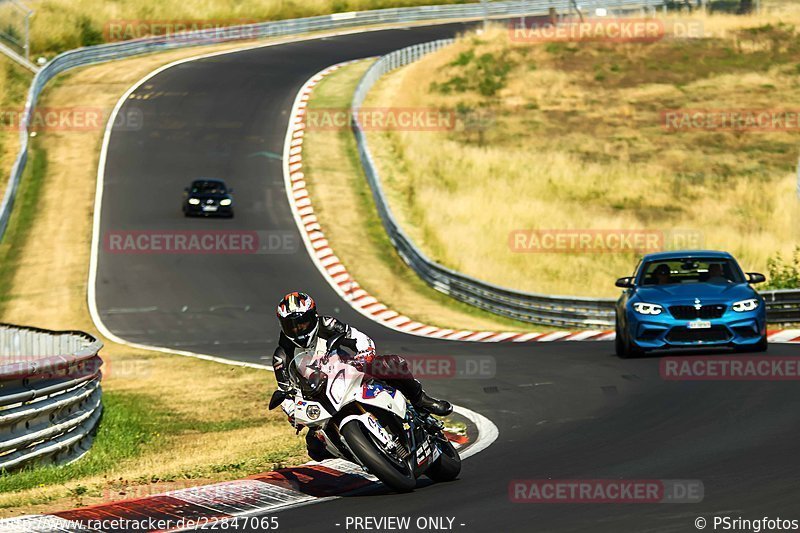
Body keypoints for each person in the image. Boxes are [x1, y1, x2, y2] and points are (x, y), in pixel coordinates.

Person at [272, 292, 453, 460]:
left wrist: (363, 355)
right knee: (314, 448)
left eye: (302, 322)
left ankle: (420, 400)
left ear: (313, 316)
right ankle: (360, 453)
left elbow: (358, 338)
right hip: (321, 398)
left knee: (392, 364)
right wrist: (292, 412)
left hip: (349, 372)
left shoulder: (327, 324)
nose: (298, 330)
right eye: (292, 326)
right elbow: (284, 391)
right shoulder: (281, 356)